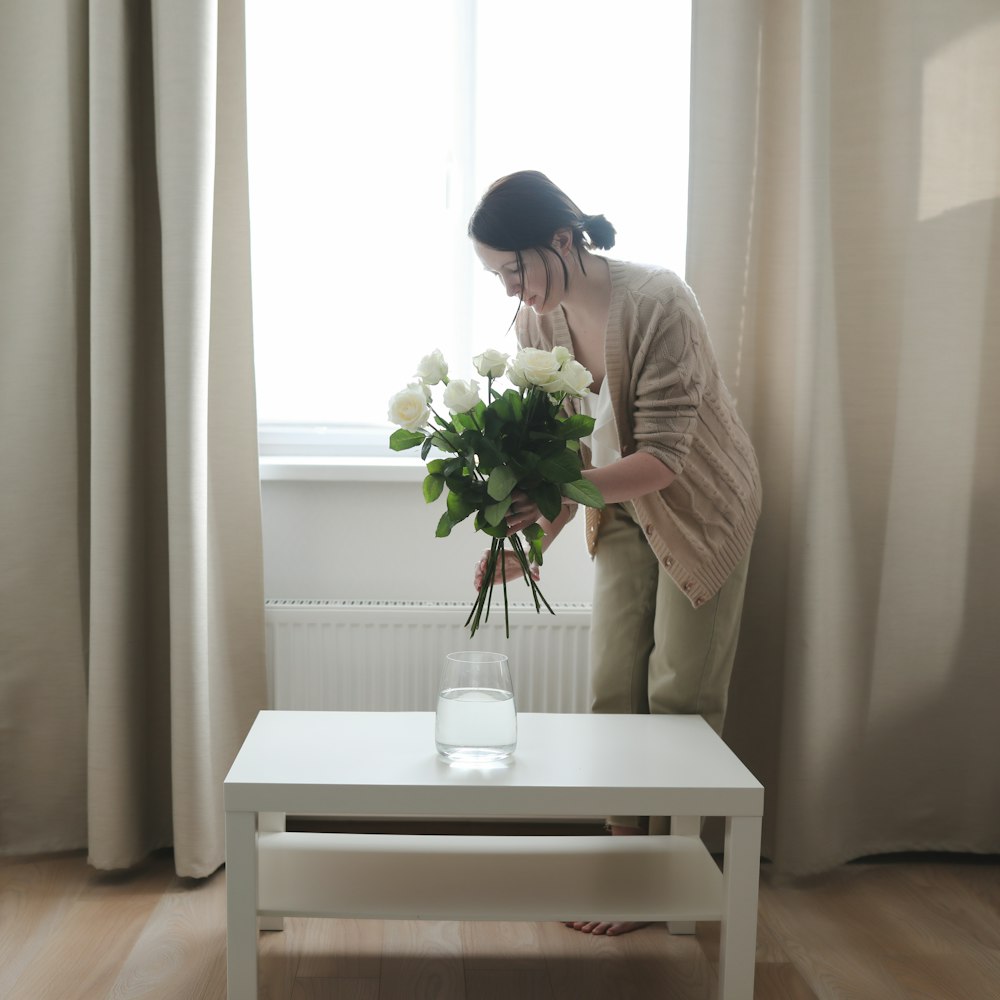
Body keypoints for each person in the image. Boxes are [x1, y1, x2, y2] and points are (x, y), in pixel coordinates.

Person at [469, 170, 762, 936]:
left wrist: (564, 491)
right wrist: (529, 544)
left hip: (699, 505)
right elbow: (561, 451)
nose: (510, 292)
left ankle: (672, 879)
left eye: (513, 270)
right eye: (497, 277)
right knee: (612, 685)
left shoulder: (659, 300)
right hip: (620, 501)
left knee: (680, 694)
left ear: (561, 240)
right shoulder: (540, 327)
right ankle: (625, 859)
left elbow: (664, 456)